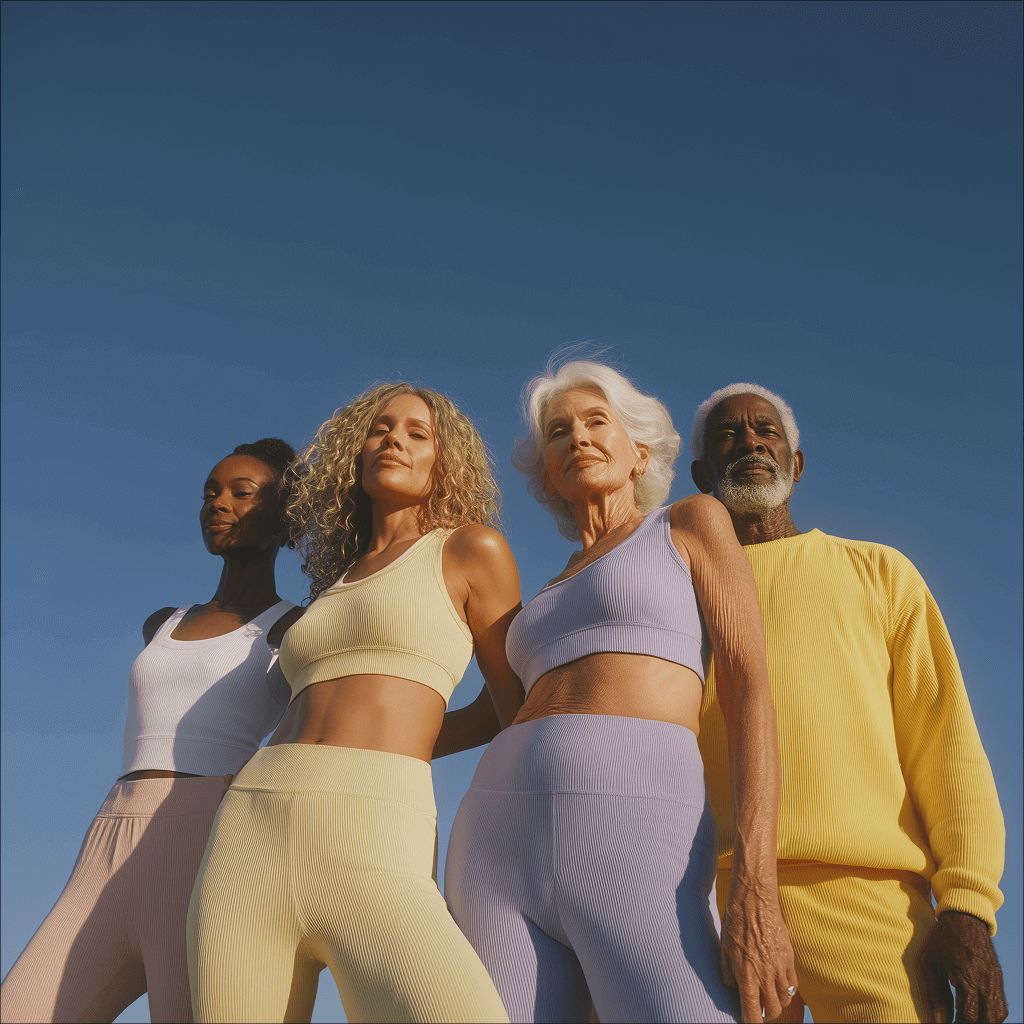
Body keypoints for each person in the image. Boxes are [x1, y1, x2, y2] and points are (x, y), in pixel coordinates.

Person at [445, 360, 797, 1024]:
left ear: (640, 452)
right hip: (495, 839)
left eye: (595, 421)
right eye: (558, 431)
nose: (576, 437)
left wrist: (756, 883)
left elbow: (750, 689)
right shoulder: (543, 594)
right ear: (547, 472)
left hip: (637, 827)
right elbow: (496, 712)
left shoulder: (688, 523)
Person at [187, 383, 522, 1024]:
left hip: (376, 824)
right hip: (253, 828)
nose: (392, 438)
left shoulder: (468, 550)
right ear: (354, 454)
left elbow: (512, 706)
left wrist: (403, 741)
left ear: (442, 461)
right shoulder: (332, 586)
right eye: (378, 428)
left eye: (416, 433)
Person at [690, 383, 1008, 1024]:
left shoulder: (880, 572)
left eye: (765, 430)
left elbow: (943, 742)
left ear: (796, 464)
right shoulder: (673, 595)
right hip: (716, 904)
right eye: (728, 435)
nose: (750, 442)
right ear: (701, 475)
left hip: (871, 904)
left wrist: (969, 906)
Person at [0, 438, 300, 1024]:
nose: (219, 503)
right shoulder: (162, 623)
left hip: (205, 839)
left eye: (242, 493)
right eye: (211, 492)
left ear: (284, 517)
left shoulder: (293, 626)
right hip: (109, 834)